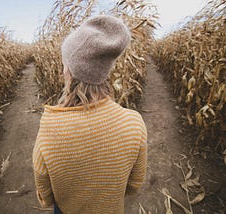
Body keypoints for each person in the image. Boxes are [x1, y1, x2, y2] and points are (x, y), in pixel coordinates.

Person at [32, 15, 147, 214]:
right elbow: (134, 185)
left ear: (69, 70)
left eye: (64, 64)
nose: (62, 71)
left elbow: (46, 196)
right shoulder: (134, 123)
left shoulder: (50, 130)